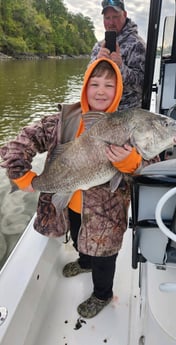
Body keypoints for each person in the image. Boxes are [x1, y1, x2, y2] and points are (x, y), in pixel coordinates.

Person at [0, 58, 142, 318]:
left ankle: (102, 294)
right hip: (70, 204)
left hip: (107, 216)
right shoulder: (63, 120)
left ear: (119, 89)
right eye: (94, 83)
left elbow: (147, 166)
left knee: (104, 257)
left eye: (109, 85)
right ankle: (83, 262)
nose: (101, 91)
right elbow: (20, 142)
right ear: (85, 86)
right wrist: (24, 177)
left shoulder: (128, 123)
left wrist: (130, 162)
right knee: (78, 239)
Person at [90, 0, 146, 110]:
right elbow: (87, 80)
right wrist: (96, 61)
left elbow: (142, 85)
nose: (111, 23)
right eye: (107, 18)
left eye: (115, 17)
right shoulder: (99, 46)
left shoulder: (137, 45)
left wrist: (121, 67)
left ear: (124, 15)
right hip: (100, 109)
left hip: (127, 111)